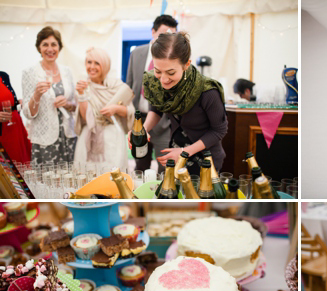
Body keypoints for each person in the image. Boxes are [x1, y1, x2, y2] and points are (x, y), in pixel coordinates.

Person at [128, 32, 228, 175]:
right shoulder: (154, 82)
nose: (163, 79)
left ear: (186, 64)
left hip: (205, 158)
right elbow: (156, 110)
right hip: (176, 150)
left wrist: (184, 152)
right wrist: (141, 130)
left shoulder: (208, 91)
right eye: (158, 71)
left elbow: (219, 130)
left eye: (170, 73)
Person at [126, 14, 177, 173]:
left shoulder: (173, 58)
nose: (167, 39)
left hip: (164, 121)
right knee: (140, 166)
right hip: (139, 119)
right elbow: (130, 85)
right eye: (163, 34)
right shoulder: (137, 53)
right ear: (153, 32)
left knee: (166, 168)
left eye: (172, 35)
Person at [73, 47, 135, 172]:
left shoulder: (117, 86)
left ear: (105, 65)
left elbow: (130, 111)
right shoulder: (83, 86)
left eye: (97, 63)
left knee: (113, 176)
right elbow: (86, 118)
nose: (92, 66)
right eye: (89, 62)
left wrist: (116, 108)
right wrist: (81, 94)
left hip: (113, 138)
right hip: (90, 137)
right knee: (88, 176)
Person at [22, 26, 77, 165]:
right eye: (45, 44)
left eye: (54, 44)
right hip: (45, 139)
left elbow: (75, 106)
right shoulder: (30, 73)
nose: (50, 49)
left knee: (70, 180)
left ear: (59, 47)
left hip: (68, 136)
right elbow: (28, 114)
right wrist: (36, 95)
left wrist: (68, 104)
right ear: (39, 48)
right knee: (48, 182)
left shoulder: (67, 71)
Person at [0, 71, 31, 164]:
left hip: (15, 127)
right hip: (3, 134)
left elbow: (9, 101)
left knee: (22, 166)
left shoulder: (3, 76)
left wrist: (18, 103)